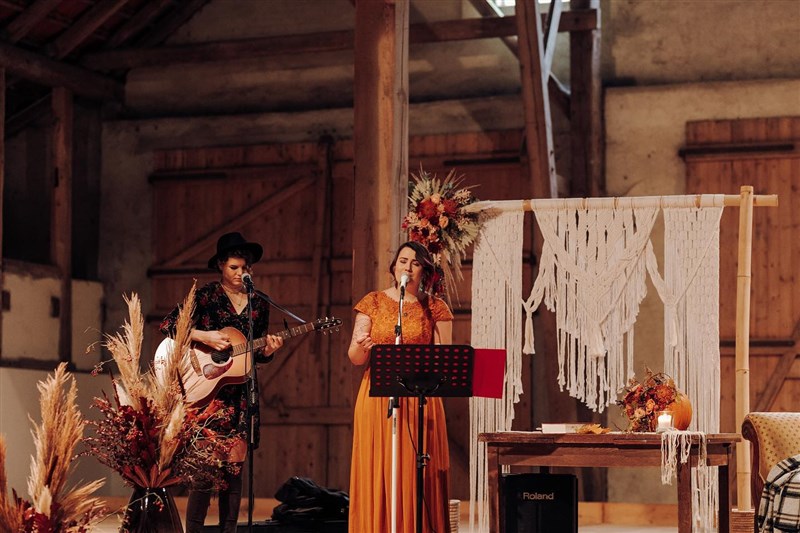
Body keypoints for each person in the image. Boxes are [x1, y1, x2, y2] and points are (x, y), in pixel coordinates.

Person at [159, 231, 283, 533]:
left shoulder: (259, 303)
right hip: (208, 392)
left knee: (233, 469)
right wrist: (204, 336)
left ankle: (230, 530)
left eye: (245, 268)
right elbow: (169, 325)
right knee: (204, 469)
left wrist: (268, 351)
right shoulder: (206, 296)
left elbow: (255, 354)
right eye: (233, 267)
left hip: (241, 392)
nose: (240, 273)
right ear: (220, 266)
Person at [348, 241, 453, 533]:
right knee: (378, 468)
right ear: (394, 266)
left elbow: (445, 359)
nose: (408, 267)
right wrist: (362, 345)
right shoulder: (372, 302)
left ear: (424, 271)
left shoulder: (436, 307)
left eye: (415, 263)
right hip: (378, 395)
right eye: (403, 260)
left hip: (421, 397)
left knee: (414, 468)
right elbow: (355, 358)